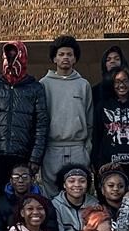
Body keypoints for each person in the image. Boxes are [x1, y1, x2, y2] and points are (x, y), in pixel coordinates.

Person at [0, 39, 50, 192]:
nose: (11, 61)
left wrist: (35, 157)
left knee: (24, 196)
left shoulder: (35, 88)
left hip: (24, 154)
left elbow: (41, 125)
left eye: (15, 56)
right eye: (8, 57)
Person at [40, 35, 93, 184]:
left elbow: (89, 119)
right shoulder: (44, 84)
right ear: (54, 58)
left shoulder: (83, 85)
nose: (65, 58)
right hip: (52, 147)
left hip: (78, 147)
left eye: (69, 54)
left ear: (75, 58)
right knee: (51, 191)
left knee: (78, 190)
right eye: (61, 54)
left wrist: (87, 148)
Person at [91, 64, 129, 174]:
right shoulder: (103, 106)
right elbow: (96, 136)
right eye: (117, 82)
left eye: (125, 81)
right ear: (111, 84)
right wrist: (97, 163)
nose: (121, 85)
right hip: (108, 165)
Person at [50, 164, 98, 231]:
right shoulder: (55, 205)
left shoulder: (94, 204)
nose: (77, 185)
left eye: (82, 181)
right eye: (71, 181)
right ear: (64, 184)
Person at [0, 161, 45, 231]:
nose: (20, 181)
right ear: (11, 180)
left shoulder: (43, 202)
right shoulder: (0, 203)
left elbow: (50, 228)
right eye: (16, 177)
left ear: (32, 179)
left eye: (25, 177)